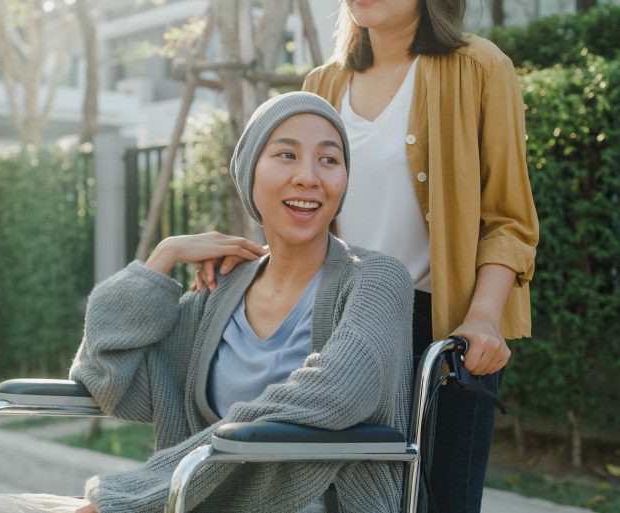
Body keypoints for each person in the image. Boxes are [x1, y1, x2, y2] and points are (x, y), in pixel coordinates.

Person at [0, 92, 414, 513]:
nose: (309, 176)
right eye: (286, 155)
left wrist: (139, 494)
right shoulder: (221, 293)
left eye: (329, 159)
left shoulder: (376, 280)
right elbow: (106, 379)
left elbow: (335, 394)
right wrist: (163, 259)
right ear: (249, 175)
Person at [195, 2, 539, 511]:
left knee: (440, 500)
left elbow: (508, 219)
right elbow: (310, 208)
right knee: (332, 495)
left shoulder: (479, 67)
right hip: (339, 321)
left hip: (445, 332)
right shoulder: (322, 84)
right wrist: (254, 263)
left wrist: (484, 317)